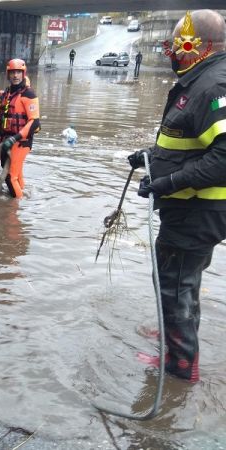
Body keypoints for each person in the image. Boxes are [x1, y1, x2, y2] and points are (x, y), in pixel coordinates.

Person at [127, 9, 226, 383]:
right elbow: (187, 145)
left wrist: (166, 184)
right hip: (190, 210)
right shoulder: (199, 80)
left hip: (196, 212)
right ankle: (175, 340)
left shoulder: (214, 86)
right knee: (183, 281)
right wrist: (150, 159)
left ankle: (180, 368)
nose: (173, 52)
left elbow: (223, 159)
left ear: (204, 46)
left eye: (180, 44)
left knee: (174, 286)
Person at [0, 59, 40, 199]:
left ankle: (14, 210)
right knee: (17, 173)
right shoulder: (6, 94)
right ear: (8, 74)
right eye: (12, 72)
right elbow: (2, 118)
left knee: (9, 177)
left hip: (21, 141)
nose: (15, 75)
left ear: (23, 74)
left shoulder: (29, 94)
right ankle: (25, 196)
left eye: (18, 72)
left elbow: (34, 122)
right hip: (6, 140)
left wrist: (15, 138)